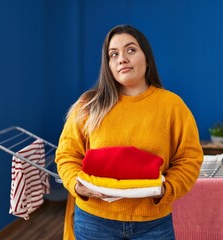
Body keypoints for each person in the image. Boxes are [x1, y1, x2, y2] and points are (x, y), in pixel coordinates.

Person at [55, 24, 203, 240]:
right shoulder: (88, 105)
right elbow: (67, 155)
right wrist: (77, 185)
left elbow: (189, 159)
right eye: (113, 54)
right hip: (94, 221)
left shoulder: (173, 106)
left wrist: (167, 189)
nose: (121, 58)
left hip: (153, 224)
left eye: (130, 50)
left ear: (147, 57)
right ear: (108, 64)